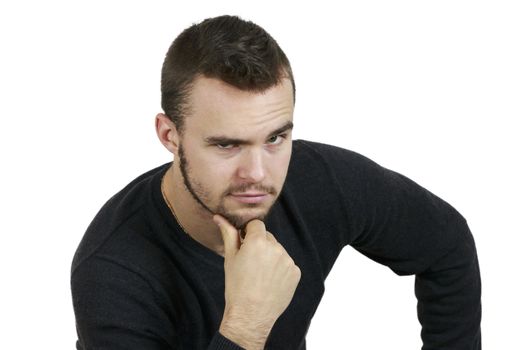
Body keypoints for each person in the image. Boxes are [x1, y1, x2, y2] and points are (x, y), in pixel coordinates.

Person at [71, 15, 482, 350]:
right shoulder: (112, 272)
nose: (258, 174)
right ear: (169, 135)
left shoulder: (320, 181)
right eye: (227, 144)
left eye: (275, 138)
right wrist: (247, 323)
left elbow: (447, 245)